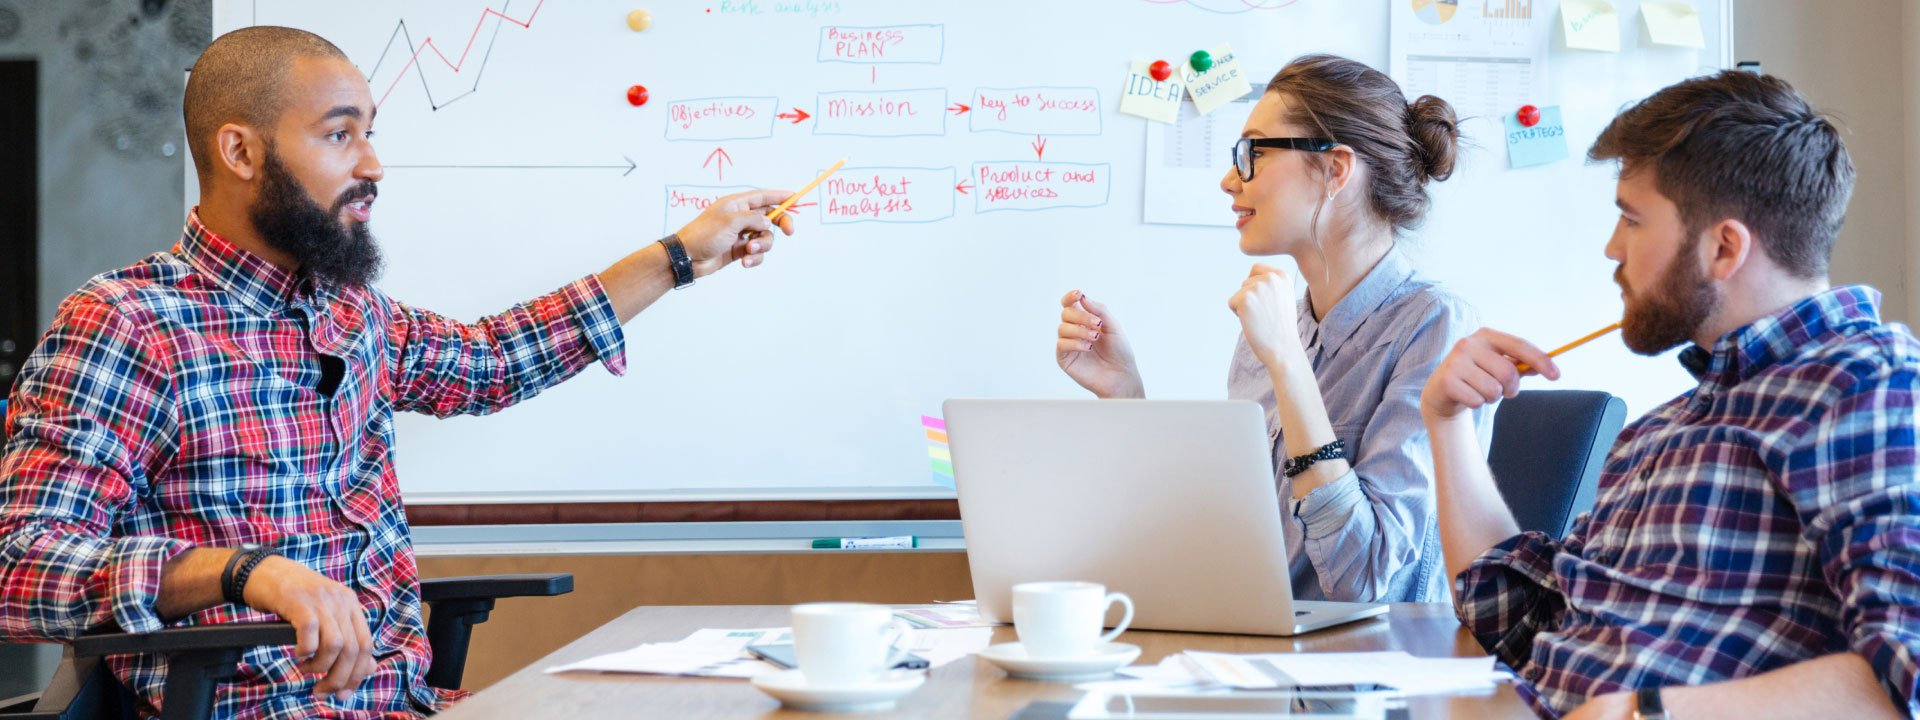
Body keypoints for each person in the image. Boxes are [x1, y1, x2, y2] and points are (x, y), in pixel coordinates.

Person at [0, 27, 795, 719]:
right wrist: (243, 575)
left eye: (370, 134)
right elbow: (20, 567)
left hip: (405, 703)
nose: (373, 164)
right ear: (240, 150)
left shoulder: (350, 314)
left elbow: (489, 361)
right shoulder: (126, 325)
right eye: (340, 136)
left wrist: (683, 257)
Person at [1422, 70, 1920, 719]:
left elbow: (1906, 669)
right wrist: (1448, 420)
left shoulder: (1867, 386)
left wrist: (1642, 714)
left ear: (1723, 247)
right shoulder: (1666, 431)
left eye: (1631, 219)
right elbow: (1516, 620)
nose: (1611, 248)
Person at [1053, 54, 1486, 603]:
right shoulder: (1279, 323)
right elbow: (1224, 537)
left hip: (1369, 671)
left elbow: (1365, 578)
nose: (1229, 180)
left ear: (1335, 171)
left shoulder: (1435, 326)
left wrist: (1287, 359)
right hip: (1259, 651)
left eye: (1252, 153)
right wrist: (1127, 396)